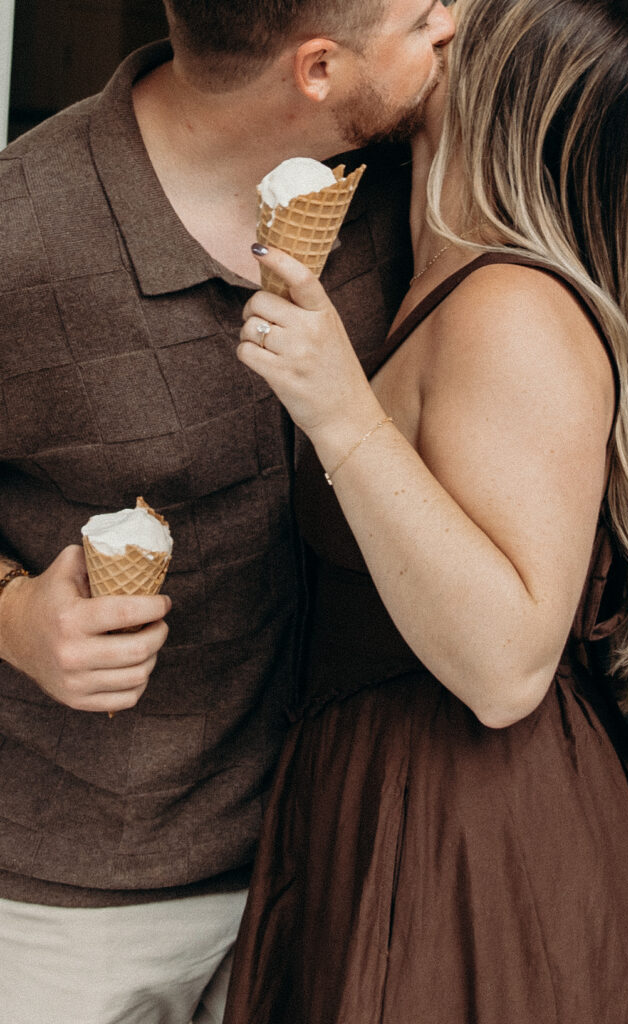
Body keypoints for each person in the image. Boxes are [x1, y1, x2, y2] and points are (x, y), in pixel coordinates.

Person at [225, 0, 628, 1020]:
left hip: (463, 840)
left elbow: (506, 665)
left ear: (502, 92)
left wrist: (340, 414)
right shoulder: (426, 262)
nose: (432, 22)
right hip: (383, 796)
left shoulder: (509, 310)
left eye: (459, 26)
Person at [0, 1, 455, 1021]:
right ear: (318, 69)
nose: (452, 24)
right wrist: (15, 617)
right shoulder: (20, 229)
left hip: (331, 863)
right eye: (421, 14)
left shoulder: (411, 179)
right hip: (74, 915)